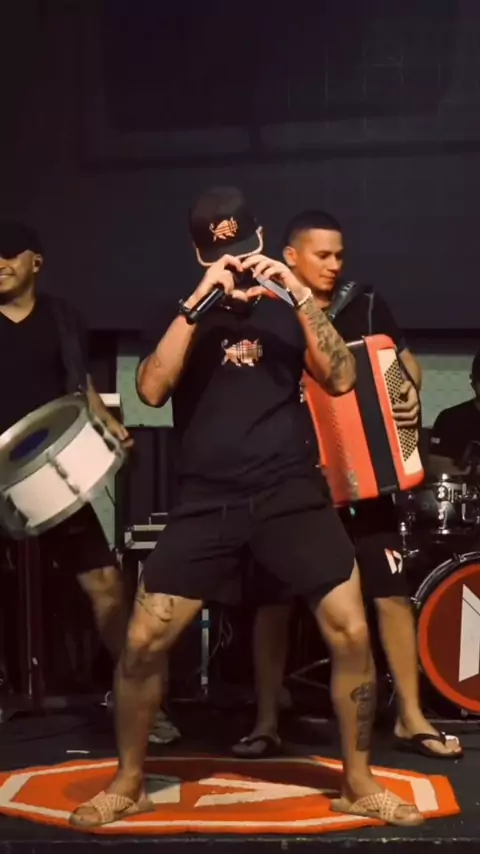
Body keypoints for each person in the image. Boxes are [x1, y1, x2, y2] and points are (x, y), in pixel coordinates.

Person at [70, 187, 422, 828]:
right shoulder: (180, 312)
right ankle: (129, 781)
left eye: (243, 250)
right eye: (220, 255)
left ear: (260, 243)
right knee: (143, 642)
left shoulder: (290, 308)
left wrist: (297, 293)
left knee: (350, 631)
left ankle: (358, 781)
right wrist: (197, 303)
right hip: (208, 497)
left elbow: (342, 377)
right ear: (201, 256)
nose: (235, 264)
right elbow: (151, 390)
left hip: (290, 491)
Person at [231, 210, 462, 762]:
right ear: (291, 256)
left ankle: (410, 716)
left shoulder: (367, 303)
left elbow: (405, 367)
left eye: (339, 255)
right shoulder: (266, 308)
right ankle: (266, 720)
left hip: (367, 479)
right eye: (322, 255)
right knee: (274, 600)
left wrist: (406, 394)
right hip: (292, 483)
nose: (334, 265)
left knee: (390, 592)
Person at [0, 222, 131, 685]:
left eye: (9, 253)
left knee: (105, 582)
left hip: (49, 475)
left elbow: (80, 384)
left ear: (35, 262)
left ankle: (140, 699)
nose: (0, 263)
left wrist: (106, 420)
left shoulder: (62, 317)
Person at [429, 349, 480, 476]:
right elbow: (434, 464)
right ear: (472, 380)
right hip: (462, 486)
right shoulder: (450, 418)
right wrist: (471, 470)